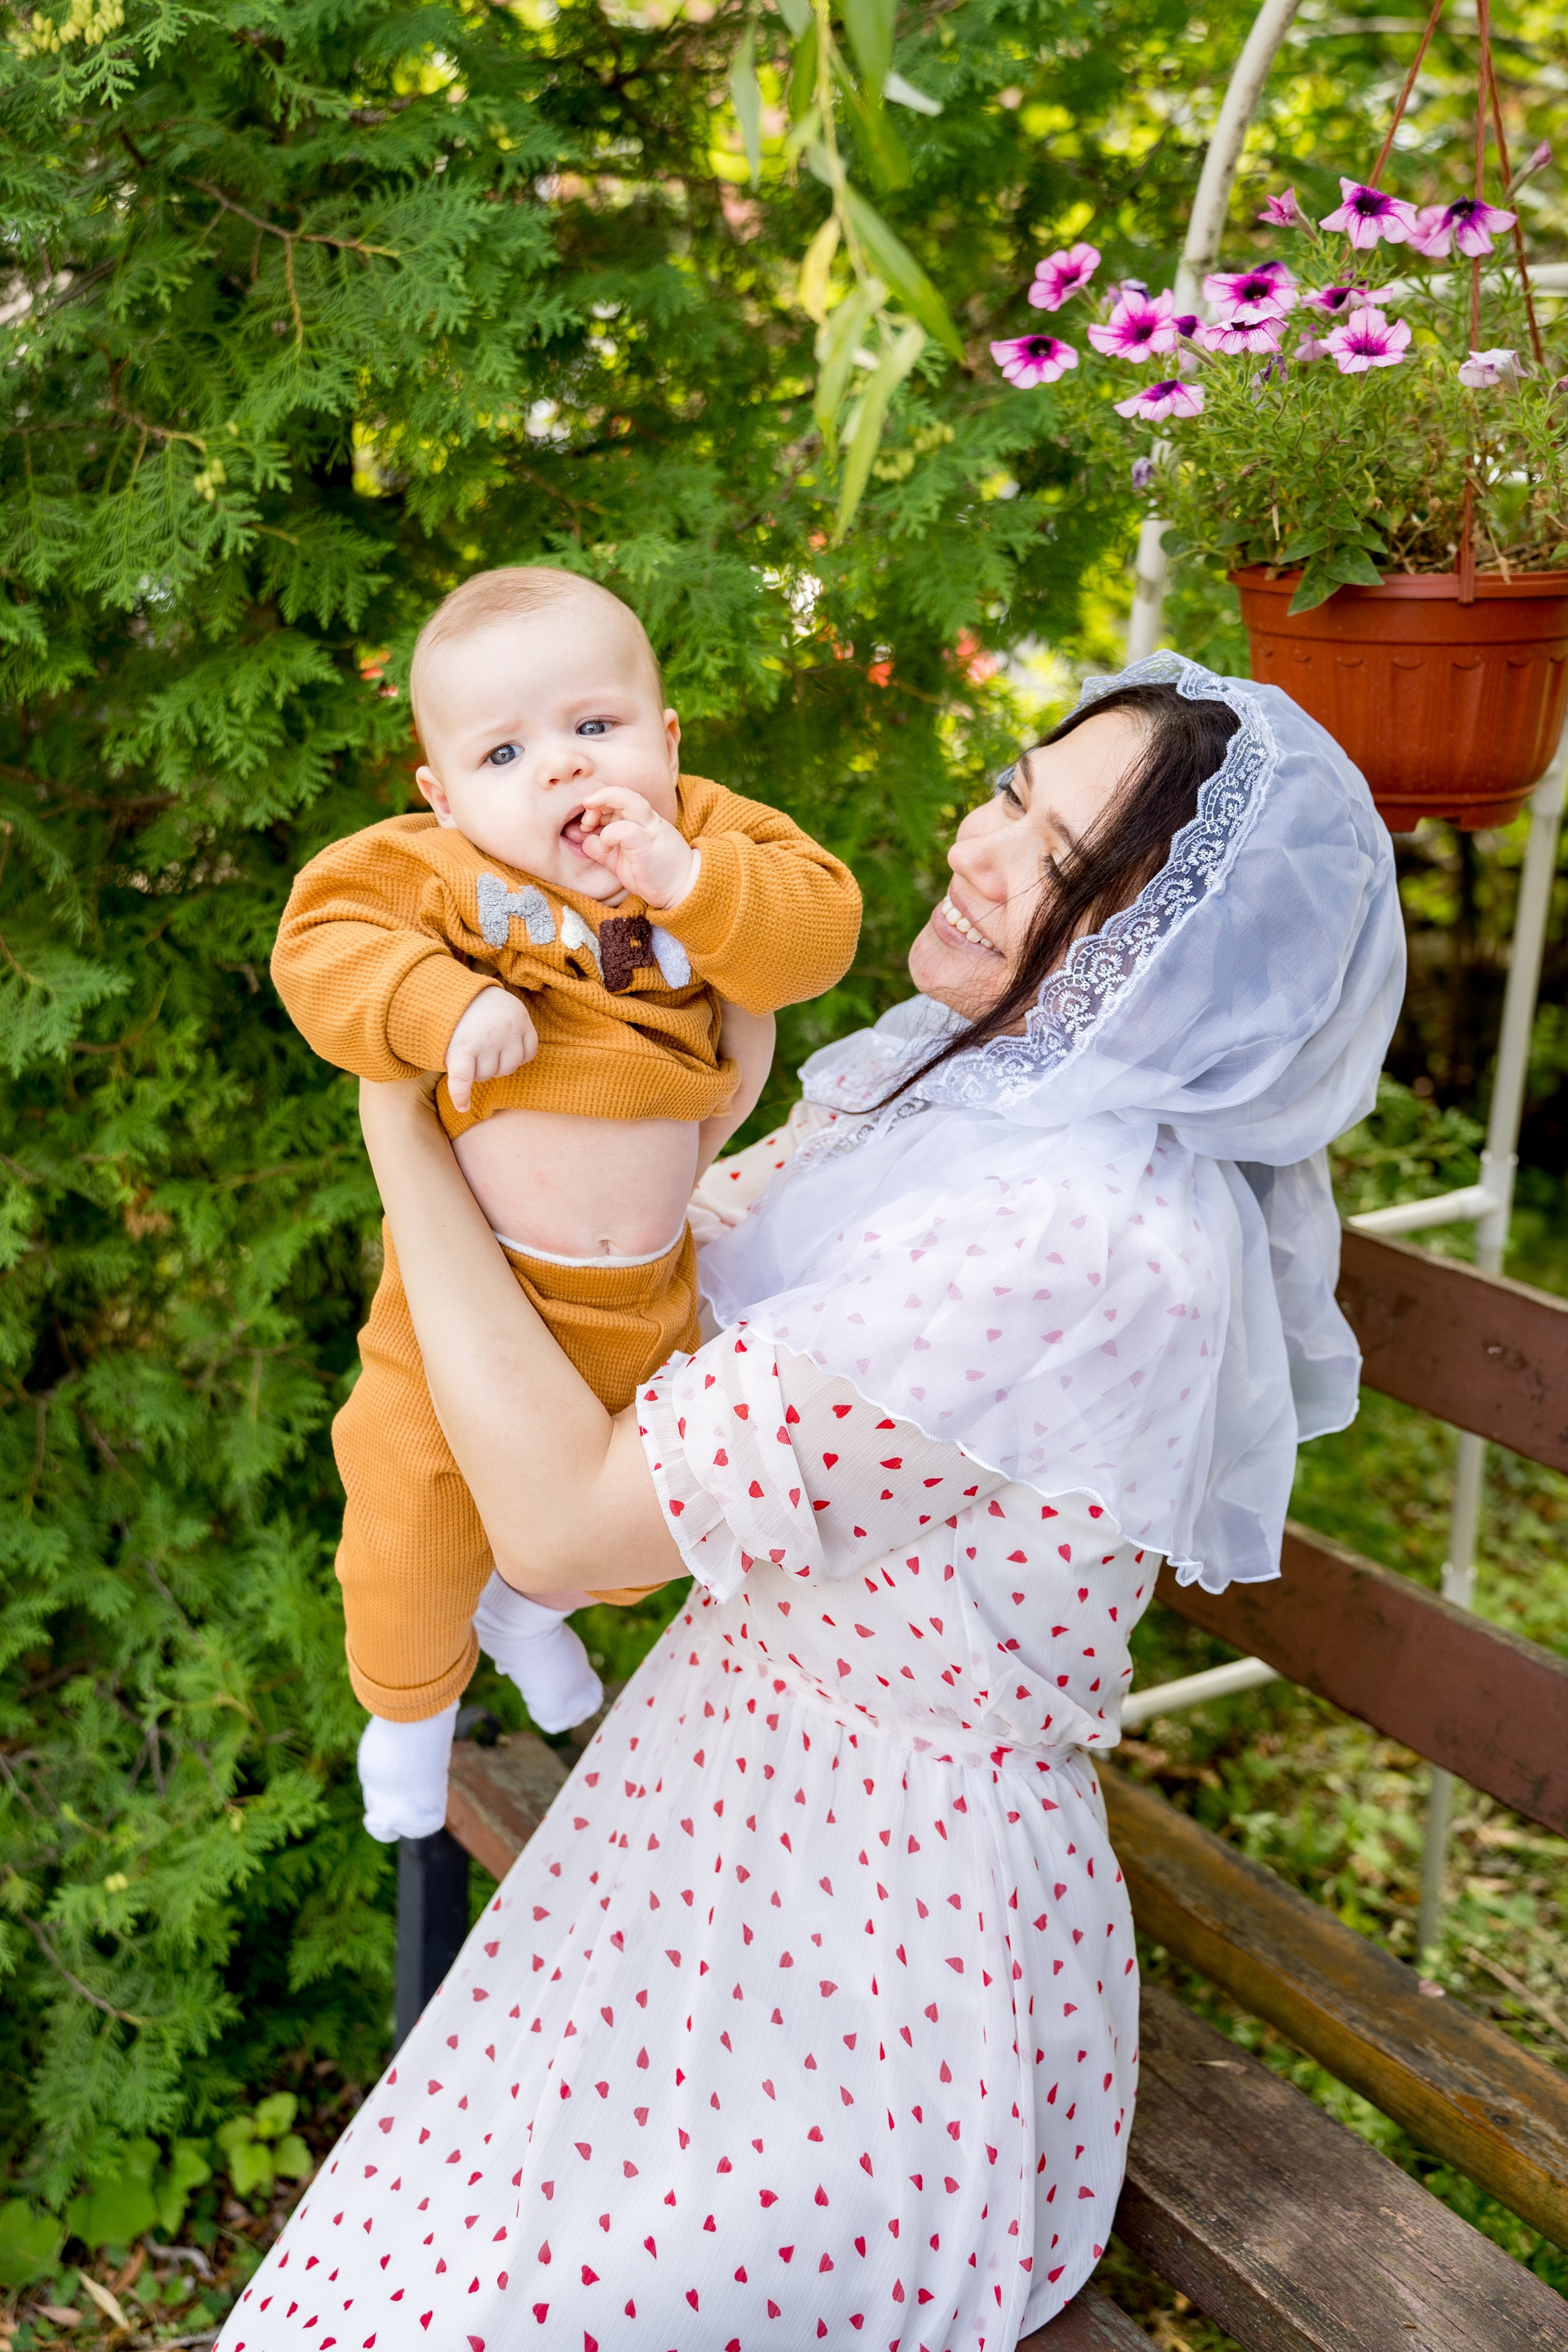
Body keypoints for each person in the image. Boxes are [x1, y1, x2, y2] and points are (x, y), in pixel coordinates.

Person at [220, 655, 1403, 2351]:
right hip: (715, 1801)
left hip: (885, 1952)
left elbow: (567, 1531)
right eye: (1013, 795)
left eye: (1068, 866)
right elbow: (665, 1258)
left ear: (1183, 969)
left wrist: (397, 1119)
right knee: (403, 2260)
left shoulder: (1074, 1238)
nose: (988, 852)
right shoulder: (971, 1089)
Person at [270, 567, 862, 1830]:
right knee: (413, 1513)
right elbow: (322, 948)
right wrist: (445, 1006)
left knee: (646, 1507)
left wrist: (688, 877)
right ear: (440, 793)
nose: (559, 770)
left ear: (666, 740)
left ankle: (525, 1614)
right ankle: (409, 1714)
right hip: (475, 1293)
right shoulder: (430, 871)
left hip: (645, 1290)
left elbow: (817, 937)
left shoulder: (709, 836)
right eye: (502, 750)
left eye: (594, 729)